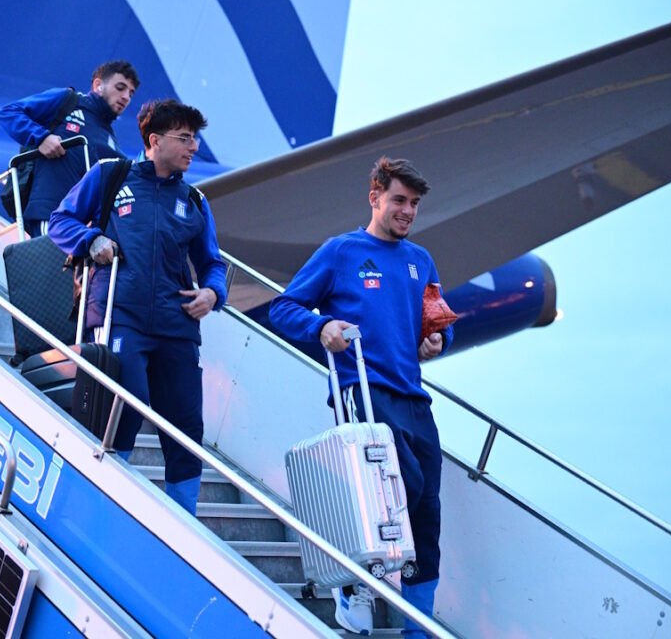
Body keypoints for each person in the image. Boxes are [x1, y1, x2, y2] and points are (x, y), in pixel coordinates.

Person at [269, 157, 453, 637]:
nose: (407, 211)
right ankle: (353, 584)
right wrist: (321, 326)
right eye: (399, 200)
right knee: (399, 487)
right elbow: (283, 308)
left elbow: (436, 321)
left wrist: (438, 340)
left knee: (426, 512)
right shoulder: (341, 252)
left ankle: (418, 628)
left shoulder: (421, 260)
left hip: (414, 399)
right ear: (374, 198)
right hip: (364, 392)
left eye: (414, 203)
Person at [48, 99, 227, 515]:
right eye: (185, 138)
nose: (194, 147)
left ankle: (183, 527)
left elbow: (213, 263)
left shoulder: (195, 200)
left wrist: (212, 294)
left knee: (186, 428)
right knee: (125, 403)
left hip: (178, 324)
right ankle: (106, 504)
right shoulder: (110, 175)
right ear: (154, 140)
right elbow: (60, 221)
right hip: (119, 314)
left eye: (195, 139)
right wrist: (91, 240)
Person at [0, 60, 139, 237]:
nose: (126, 97)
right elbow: (8, 112)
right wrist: (41, 138)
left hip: (83, 227)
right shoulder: (69, 101)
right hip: (50, 214)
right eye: (120, 88)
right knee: (48, 255)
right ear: (98, 85)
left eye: (131, 93)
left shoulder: (111, 140)